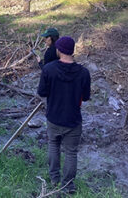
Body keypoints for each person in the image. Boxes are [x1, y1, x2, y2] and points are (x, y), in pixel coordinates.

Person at [37, 36, 90, 194]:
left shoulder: (49, 69)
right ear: (72, 51)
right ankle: (67, 186)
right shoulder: (84, 73)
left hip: (53, 117)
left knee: (53, 145)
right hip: (73, 119)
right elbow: (86, 97)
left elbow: (42, 92)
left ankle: (54, 178)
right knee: (71, 152)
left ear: (59, 50)